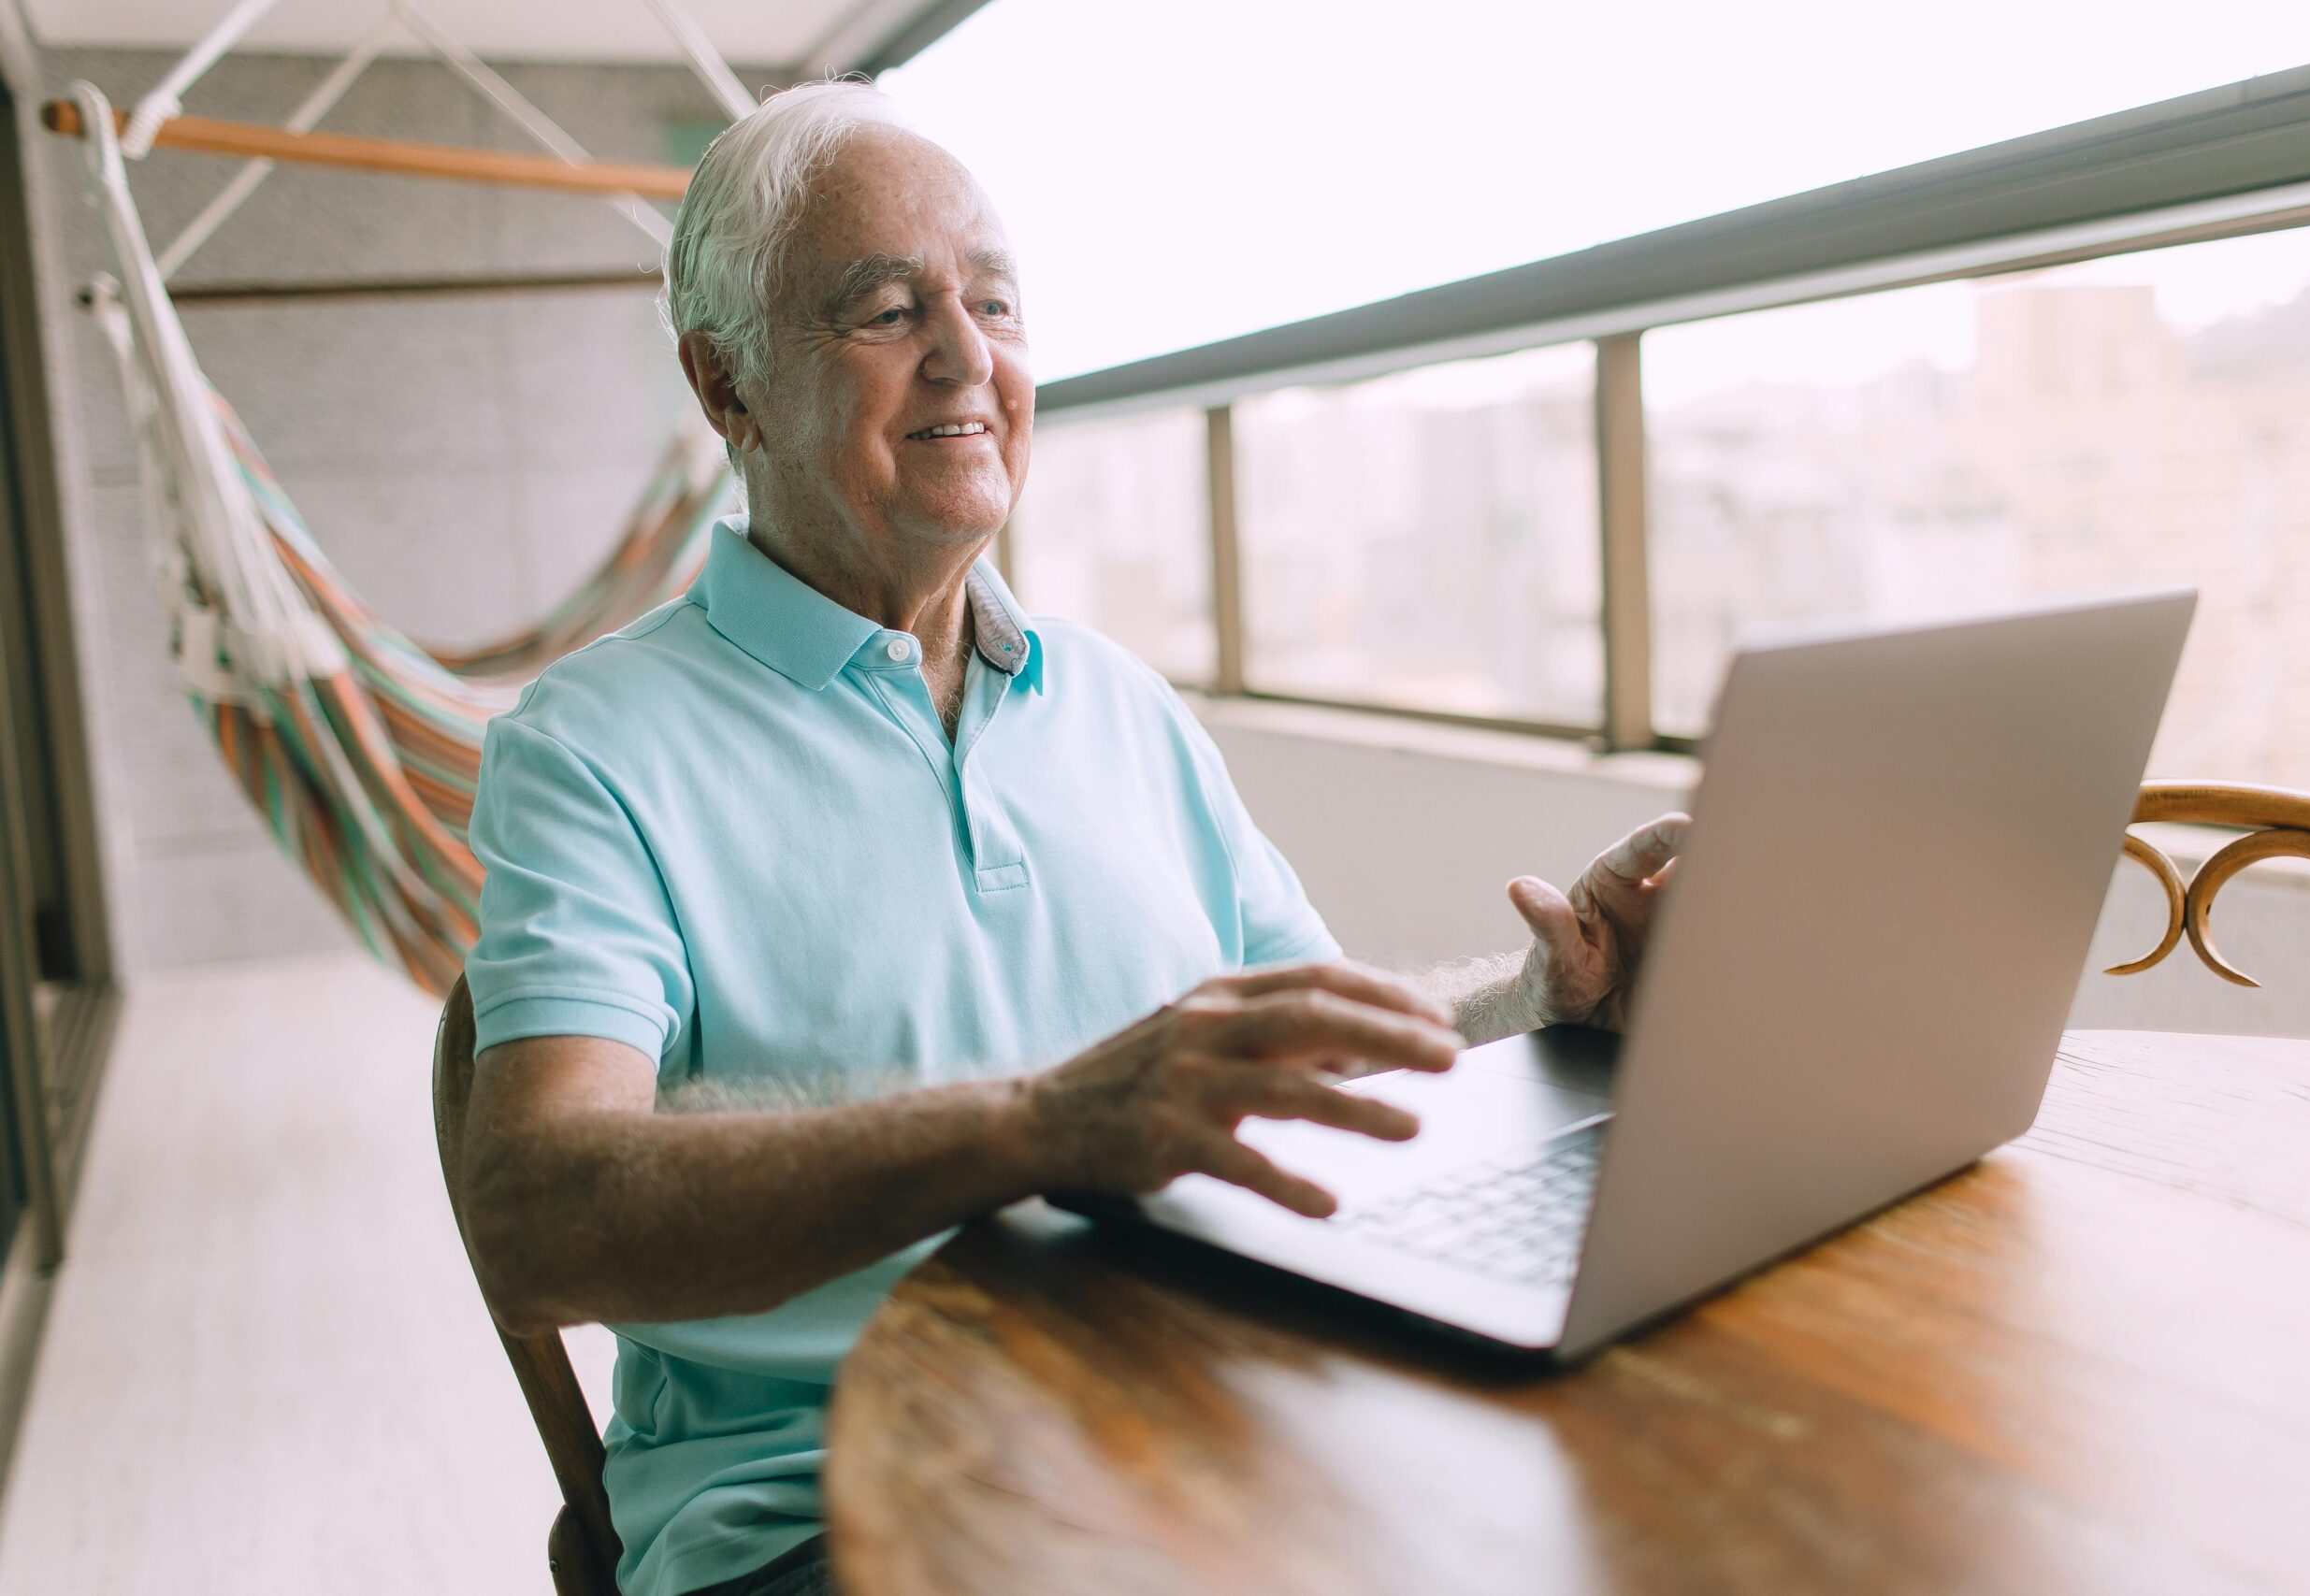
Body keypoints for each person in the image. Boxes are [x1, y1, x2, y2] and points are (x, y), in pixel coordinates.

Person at [458, 81, 1687, 1596]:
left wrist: (1538, 1003)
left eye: (993, 303)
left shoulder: (1120, 704)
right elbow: (540, 1216)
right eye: (889, 310)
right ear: (729, 389)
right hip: (830, 1508)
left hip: (1200, 1420)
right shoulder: (590, 747)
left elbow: (1293, 1044)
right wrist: (1037, 1127)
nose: (968, 356)